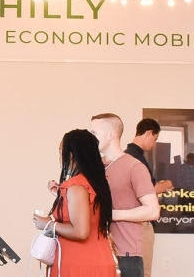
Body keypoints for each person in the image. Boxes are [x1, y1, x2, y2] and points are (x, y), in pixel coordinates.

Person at [33, 129, 116, 277]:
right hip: (98, 258)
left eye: (60, 152)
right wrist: (62, 197)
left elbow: (81, 232)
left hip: (79, 263)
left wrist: (47, 224)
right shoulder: (95, 183)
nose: (59, 157)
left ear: (70, 156)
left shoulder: (75, 186)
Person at [90, 113, 160, 277]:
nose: (90, 138)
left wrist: (111, 214)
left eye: (94, 133)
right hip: (98, 251)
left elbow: (152, 211)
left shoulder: (134, 167)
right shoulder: (95, 168)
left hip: (126, 254)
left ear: (111, 134)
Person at [123, 118, 172, 277]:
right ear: (149, 133)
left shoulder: (127, 156)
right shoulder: (136, 159)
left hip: (129, 225)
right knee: (143, 270)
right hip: (140, 223)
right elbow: (145, 191)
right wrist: (165, 186)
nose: (154, 144)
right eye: (155, 139)